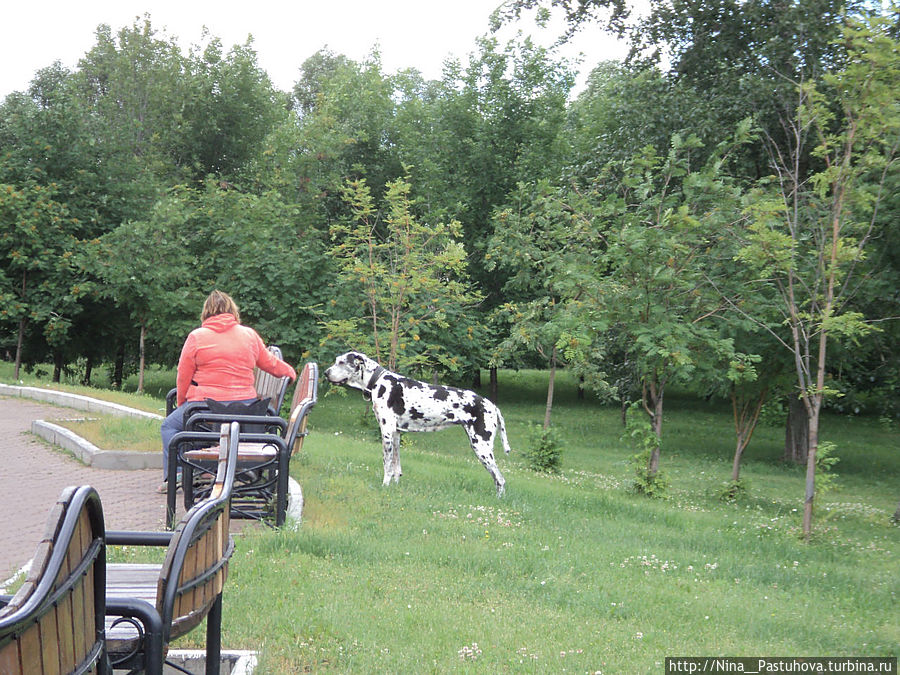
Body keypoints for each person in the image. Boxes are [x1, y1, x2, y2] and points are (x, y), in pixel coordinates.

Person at [158, 290, 296, 492]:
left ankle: (179, 473)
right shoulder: (249, 335)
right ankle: (209, 470)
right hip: (245, 408)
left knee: (170, 427)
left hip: (205, 408)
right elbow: (269, 363)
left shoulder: (197, 337)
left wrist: (182, 402)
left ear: (206, 312)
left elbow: (183, 375)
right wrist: (290, 372)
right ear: (233, 311)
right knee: (198, 423)